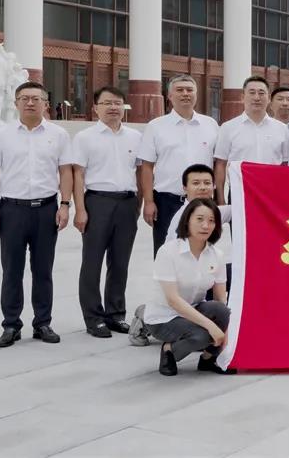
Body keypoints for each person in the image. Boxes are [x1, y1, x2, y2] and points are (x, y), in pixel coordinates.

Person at [0, 82, 73, 347]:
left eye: (36, 98)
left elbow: (66, 171)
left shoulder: (58, 134)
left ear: (46, 103)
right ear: (16, 103)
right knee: (12, 270)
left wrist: (65, 205)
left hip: (46, 209)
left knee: (43, 270)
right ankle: (11, 325)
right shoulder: (1, 135)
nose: (30, 103)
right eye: (24, 98)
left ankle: (42, 323)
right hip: (12, 210)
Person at [71, 86, 142, 338]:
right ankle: (94, 318)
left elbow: (140, 172)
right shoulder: (84, 138)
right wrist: (80, 209)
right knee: (92, 262)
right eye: (107, 103)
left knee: (120, 262)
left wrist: (138, 204)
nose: (113, 107)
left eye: (117, 103)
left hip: (127, 203)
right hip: (97, 202)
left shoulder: (135, 136)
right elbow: (78, 175)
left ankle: (115, 314)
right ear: (95, 108)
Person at [129, 164, 226, 346]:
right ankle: (146, 314)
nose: (202, 187)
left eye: (207, 183)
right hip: (177, 282)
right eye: (196, 183)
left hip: (194, 284)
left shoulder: (211, 211)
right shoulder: (182, 219)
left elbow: (240, 210)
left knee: (232, 272)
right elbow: (175, 261)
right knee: (201, 337)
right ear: (184, 188)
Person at [146, 198, 232, 376]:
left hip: (193, 310)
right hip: (164, 318)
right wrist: (210, 326)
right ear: (187, 221)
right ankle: (169, 350)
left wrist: (227, 330)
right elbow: (173, 300)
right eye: (199, 219)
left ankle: (209, 359)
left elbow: (220, 300)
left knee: (222, 311)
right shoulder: (168, 252)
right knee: (202, 336)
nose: (205, 226)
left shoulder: (217, 255)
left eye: (211, 221)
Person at [138, 75, 219, 256]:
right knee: (165, 253)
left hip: (201, 202)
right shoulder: (156, 126)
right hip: (166, 202)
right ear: (169, 96)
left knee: (201, 252)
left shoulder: (211, 125)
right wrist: (148, 201)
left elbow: (218, 164)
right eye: (180, 90)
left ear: (196, 94)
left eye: (189, 90)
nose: (185, 94)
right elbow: (147, 167)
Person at [213, 76, 289, 203]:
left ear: (269, 98)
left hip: (272, 192)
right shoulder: (228, 127)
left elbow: (286, 165)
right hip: (239, 192)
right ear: (242, 97)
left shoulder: (282, 129)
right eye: (252, 92)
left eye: (261, 93)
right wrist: (220, 199)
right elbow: (221, 164)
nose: (257, 97)